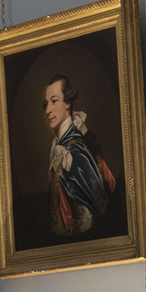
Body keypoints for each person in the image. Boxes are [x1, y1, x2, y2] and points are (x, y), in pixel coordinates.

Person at [43, 76, 119, 240]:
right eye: (46, 103)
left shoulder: (74, 153)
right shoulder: (63, 146)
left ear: (68, 103)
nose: (48, 110)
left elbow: (94, 213)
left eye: (54, 101)